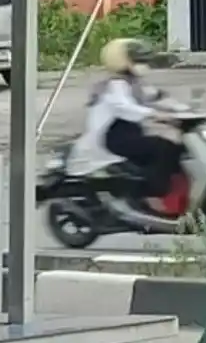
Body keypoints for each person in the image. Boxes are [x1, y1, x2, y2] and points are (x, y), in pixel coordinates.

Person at [71, 38, 184, 213]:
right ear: (123, 61)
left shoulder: (134, 83)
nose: (144, 65)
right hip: (112, 139)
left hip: (128, 134)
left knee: (177, 149)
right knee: (164, 148)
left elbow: (156, 97)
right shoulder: (115, 85)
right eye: (139, 60)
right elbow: (124, 108)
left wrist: (185, 110)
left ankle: (174, 195)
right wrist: (155, 114)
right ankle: (152, 195)